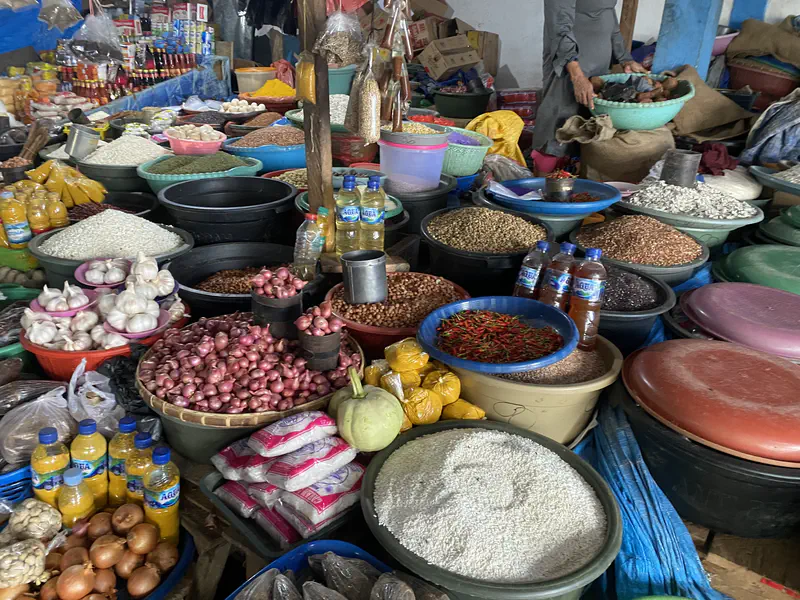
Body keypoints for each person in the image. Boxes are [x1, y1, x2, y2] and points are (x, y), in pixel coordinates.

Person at [532, 0, 647, 162]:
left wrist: (624, 57)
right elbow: (559, 22)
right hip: (570, 64)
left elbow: (608, 13)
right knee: (559, 125)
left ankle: (577, 179)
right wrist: (577, 75)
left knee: (590, 127)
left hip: (599, 64)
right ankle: (542, 184)